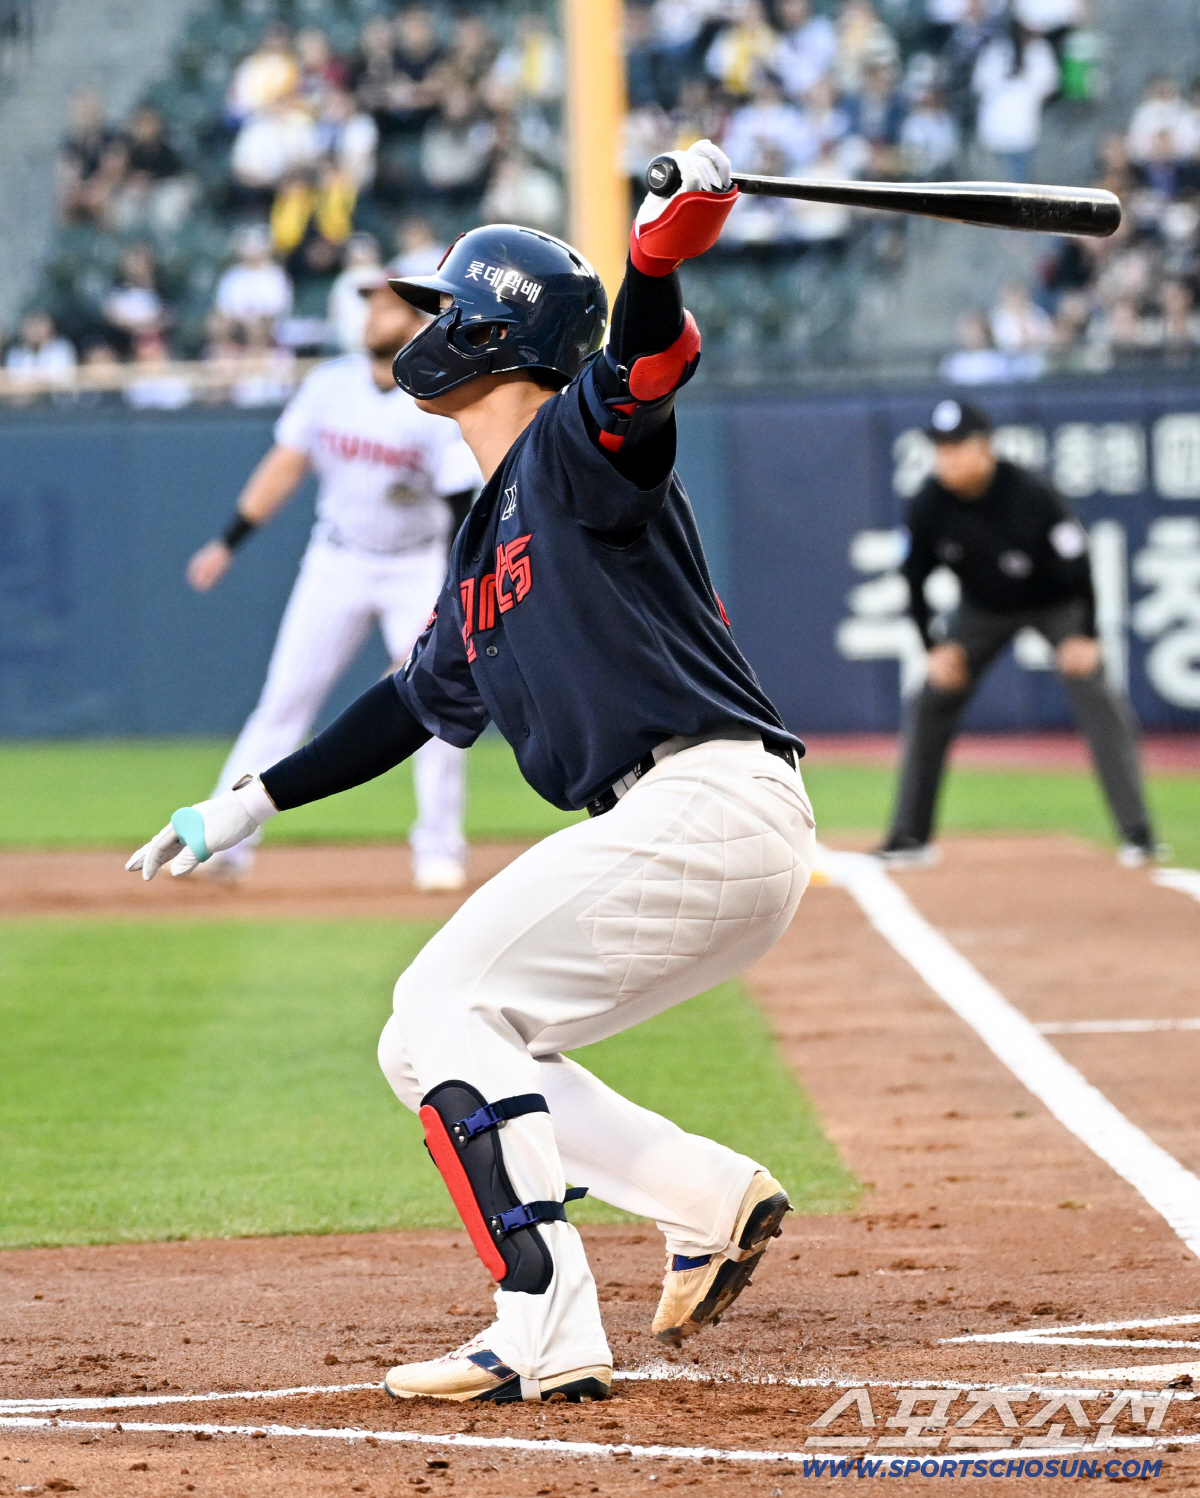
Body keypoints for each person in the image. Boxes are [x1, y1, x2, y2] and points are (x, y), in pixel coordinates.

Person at [128, 139, 816, 1405]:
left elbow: (647, 368)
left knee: (443, 995)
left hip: (707, 804)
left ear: (499, 335)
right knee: (422, 1041)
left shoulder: (572, 449)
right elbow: (411, 705)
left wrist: (655, 251)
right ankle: (706, 1194)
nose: (422, 326)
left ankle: (542, 1317)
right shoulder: (488, 529)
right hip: (691, 825)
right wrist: (244, 803)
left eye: (445, 307)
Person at [181, 267, 481, 889]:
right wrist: (228, 542)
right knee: (283, 701)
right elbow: (285, 467)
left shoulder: (438, 397)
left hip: (416, 565)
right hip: (337, 559)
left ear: (416, 322)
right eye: (370, 303)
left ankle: (439, 850)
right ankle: (223, 843)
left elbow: (462, 509)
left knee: (434, 705)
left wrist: (449, 601)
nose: (374, 315)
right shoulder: (330, 385)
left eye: (388, 305)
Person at [876, 398, 1159, 869]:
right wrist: (932, 647)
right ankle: (909, 835)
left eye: (957, 447)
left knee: (1096, 692)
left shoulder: (1031, 492)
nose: (947, 458)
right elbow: (913, 578)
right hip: (982, 611)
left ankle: (1139, 833)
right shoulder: (928, 502)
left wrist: (1087, 635)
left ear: (985, 448)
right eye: (940, 448)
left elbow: (1080, 563)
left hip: (1055, 604)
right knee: (930, 699)